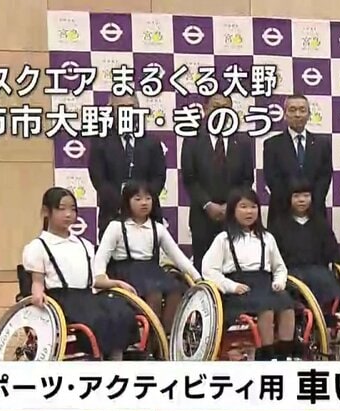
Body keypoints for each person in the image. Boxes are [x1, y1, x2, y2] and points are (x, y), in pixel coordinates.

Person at [22, 187, 140, 361]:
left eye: (73, 209)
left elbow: (94, 280)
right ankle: (100, 358)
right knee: (98, 318)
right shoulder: (37, 246)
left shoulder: (84, 244)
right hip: (61, 300)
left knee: (121, 312)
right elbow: (37, 281)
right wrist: (37, 293)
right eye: (61, 209)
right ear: (46, 211)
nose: (68, 214)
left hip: (87, 297)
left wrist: (116, 283)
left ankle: (117, 359)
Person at [201, 189, 297, 361]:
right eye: (243, 207)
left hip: (265, 284)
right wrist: (231, 286)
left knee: (287, 305)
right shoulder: (223, 239)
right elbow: (209, 270)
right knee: (266, 308)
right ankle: (266, 355)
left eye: (253, 207)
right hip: (239, 289)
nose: (249, 212)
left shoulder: (267, 238)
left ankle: (285, 354)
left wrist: (279, 282)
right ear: (233, 210)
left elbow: (280, 267)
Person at [93, 181, 201, 332]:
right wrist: (100, 278)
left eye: (148, 198)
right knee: (154, 294)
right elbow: (101, 257)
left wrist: (198, 279)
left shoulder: (158, 228)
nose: (144, 203)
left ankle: (168, 338)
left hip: (152, 271)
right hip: (125, 272)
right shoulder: (116, 227)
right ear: (127, 201)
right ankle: (151, 342)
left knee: (176, 291)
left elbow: (179, 257)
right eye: (138, 199)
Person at [180, 93, 256, 271]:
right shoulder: (192, 139)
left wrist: (231, 206)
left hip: (234, 215)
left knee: (233, 266)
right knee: (203, 267)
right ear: (205, 109)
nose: (220, 111)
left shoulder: (242, 141)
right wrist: (208, 204)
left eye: (225, 107)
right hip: (202, 215)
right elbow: (190, 178)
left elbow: (247, 179)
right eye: (215, 106)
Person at [87, 93, 167, 238]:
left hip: (147, 218)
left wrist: (141, 201)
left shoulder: (151, 141)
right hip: (112, 216)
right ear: (111, 110)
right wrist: (125, 204)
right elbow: (99, 179)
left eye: (131, 107)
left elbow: (158, 177)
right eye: (122, 107)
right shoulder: (100, 141)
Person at [268, 179, 340, 310]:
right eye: (296, 196)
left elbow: (332, 251)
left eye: (306, 196)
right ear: (289, 199)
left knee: (330, 285)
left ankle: (330, 317)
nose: (301, 200)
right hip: (291, 273)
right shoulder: (278, 226)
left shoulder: (320, 224)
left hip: (319, 271)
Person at [263, 93, 332, 220]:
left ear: (309, 115)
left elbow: (325, 177)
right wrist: (294, 201)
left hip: (314, 211)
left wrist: (309, 200)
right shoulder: (272, 144)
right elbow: (272, 179)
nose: (297, 114)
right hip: (282, 212)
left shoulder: (322, 144)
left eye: (302, 110)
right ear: (285, 115)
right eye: (292, 110)